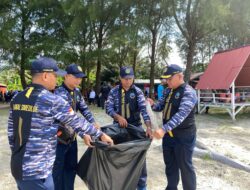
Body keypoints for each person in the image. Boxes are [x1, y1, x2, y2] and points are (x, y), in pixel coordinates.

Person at [7, 57, 113, 190]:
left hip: (18, 167)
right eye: (55, 76)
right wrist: (100, 135)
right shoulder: (51, 100)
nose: (56, 79)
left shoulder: (18, 98)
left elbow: (11, 134)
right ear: (45, 75)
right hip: (38, 171)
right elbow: (76, 121)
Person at [148, 64, 197, 190]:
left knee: (185, 167)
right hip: (169, 137)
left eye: (170, 79)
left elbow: (181, 115)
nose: (167, 81)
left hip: (183, 136)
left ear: (180, 76)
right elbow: (160, 106)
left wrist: (163, 129)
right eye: (166, 79)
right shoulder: (168, 91)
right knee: (170, 165)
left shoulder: (188, 92)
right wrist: (152, 104)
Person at [52, 64, 100, 190]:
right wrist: (84, 134)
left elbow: (84, 109)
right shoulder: (59, 94)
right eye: (76, 77)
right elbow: (70, 119)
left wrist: (93, 122)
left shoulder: (77, 92)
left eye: (80, 78)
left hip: (71, 140)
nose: (79, 80)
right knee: (58, 172)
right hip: (59, 141)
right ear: (66, 76)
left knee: (71, 169)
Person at [106, 66, 152, 190]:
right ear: (120, 78)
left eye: (130, 78)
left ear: (133, 78)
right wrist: (118, 117)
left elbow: (144, 111)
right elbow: (108, 108)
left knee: (139, 159)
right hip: (118, 129)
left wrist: (148, 127)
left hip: (135, 128)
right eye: (125, 78)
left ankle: (141, 186)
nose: (127, 81)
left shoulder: (137, 92)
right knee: (119, 158)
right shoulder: (113, 91)